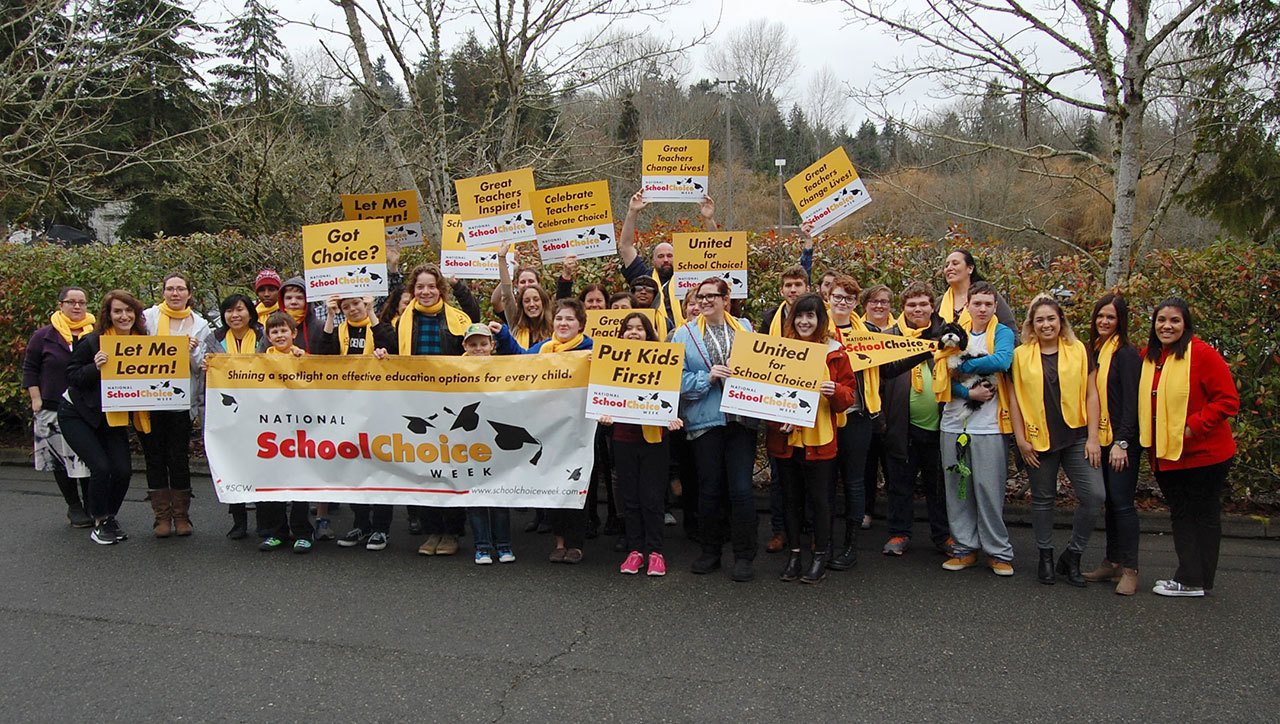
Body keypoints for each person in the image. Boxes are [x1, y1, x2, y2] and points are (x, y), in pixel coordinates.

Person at [1141, 298, 1239, 598]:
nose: (1167, 326)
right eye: (1161, 320)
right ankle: (1192, 577)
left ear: (1185, 325)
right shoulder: (1150, 356)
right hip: (1166, 456)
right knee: (1181, 514)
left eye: (1174, 321)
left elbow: (1227, 401)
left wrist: (1192, 426)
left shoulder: (1203, 354)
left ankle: (1194, 579)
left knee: (1203, 515)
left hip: (1203, 454)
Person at [1008, 295, 1105, 586]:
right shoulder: (1020, 355)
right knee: (1042, 500)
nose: (1046, 324)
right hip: (1038, 440)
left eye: (1051, 318)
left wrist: (1093, 438)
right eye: (1040, 320)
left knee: (1094, 496)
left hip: (1076, 436)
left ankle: (1073, 555)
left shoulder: (1079, 350)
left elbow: (1091, 394)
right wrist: (1021, 440)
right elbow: (1013, 400)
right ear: (1031, 325)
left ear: (1061, 321)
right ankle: (1046, 556)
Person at [671, 277, 760, 582]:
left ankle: (744, 555)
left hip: (741, 420)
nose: (705, 301)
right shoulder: (683, 334)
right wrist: (706, 378)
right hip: (705, 422)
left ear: (726, 298)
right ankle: (710, 551)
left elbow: (764, 369)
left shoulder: (746, 329)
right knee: (709, 489)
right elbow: (675, 379)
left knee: (741, 489)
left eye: (712, 296)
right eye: (701, 296)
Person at [493, 298, 594, 563]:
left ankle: (576, 544)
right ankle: (559, 541)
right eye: (559, 318)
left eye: (570, 319)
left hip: (579, 430)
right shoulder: (544, 348)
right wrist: (504, 335)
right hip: (549, 429)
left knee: (576, 483)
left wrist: (599, 363)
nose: (563, 323)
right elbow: (518, 361)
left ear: (580, 324)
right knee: (555, 483)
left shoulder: (591, 349)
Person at [767, 294, 857, 584]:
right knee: (791, 499)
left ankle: (820, 554)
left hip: (820, 439)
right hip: (786, 439)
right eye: (800, 316)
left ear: (821, 321)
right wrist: (777, 419)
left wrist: (836, 392)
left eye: (811, 316)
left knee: (820, 501)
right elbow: (764, 395)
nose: (805, 322)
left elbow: (849, 396)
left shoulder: (836, 352)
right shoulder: (778, 351)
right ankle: (794, 554)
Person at [399, 263, 481, 556]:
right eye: (420, 287)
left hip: (450, 404)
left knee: (452, 466)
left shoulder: (457, 319)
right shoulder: (402, 321)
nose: (426, 292)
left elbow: (475, 318)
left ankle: (452, 531)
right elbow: (383, 339)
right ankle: (432, 530)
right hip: (417, 404)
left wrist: (460, 286)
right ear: (413, 290)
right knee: (422, 467)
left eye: (431, 286)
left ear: (441, 289)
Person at [935, 281, 1016, 575]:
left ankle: (998, 551)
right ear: (967, 305)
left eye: (988, 304)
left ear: (995, 307)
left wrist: (966, 365)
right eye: (977, 303)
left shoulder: (1002, 333)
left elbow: (1002, 360)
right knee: (958, 488)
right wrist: (968, 392)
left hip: (990, 426)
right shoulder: (955, 333)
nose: (982, 309)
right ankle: (964, 547)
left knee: (988, 489)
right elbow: (942, 372)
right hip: (954, 422)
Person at [59, 290, 148, 545]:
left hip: (113, 414)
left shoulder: (141, 341)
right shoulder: (93, 341)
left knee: (122, 470)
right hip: (77, 413)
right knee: (101, 467)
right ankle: (98, 521)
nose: (124, 316)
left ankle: (109, 516)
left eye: (128, 310)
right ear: (108, 315)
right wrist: (94, 367)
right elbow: (72, 375)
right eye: (117, 311)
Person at [602, 312, 685, 577]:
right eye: (629, 328)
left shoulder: (663, 361)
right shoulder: (610, 363)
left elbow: (672, 398)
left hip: (655, 440)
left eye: (640, 328)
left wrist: (673, 417)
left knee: (652, 498)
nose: (634, 332)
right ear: (622, 334)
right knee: (631, 498)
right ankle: (635, 550)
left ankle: (656, 552)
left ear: (649, 334)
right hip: (623, 439)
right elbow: (602, 396)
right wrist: (603, 414)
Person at [319, 295, 398, 551]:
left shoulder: (378, 325)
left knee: (381, 466)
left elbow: (391, 345)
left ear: (365, 304)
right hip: (348, 409)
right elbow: (324, 356)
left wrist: (372, 312)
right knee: (353, 467)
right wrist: (330, 316)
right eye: (346, 306)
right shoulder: (338, 330)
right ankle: (361, 523)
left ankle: (381, 528)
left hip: (379, 407)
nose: (352, 309)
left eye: (356, 304)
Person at [880, 282, 951, 556]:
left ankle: (943, 536)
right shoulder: (891, 337)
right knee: (900, 483)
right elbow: (882, 379)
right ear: (903, 308)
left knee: (938, 485)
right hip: (901, 424)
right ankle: (899, 533)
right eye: (911, 304)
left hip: (940, 423)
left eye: (923, 304)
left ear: (932, 306)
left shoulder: (948, 334)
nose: (917, 309)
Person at [140, 272, 211, 538]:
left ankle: (182, 516)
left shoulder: (200, 325)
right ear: (163, 292)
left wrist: (192, 350)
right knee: (154, 457)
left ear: (189, 294)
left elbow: (199, 367)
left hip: (181, 402)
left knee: (178, 458)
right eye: (170, 288)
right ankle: (161, 517)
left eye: (180, 289)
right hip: (149, 399)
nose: (175, 293)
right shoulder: (149, 318)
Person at [1082, 293, 1143, 595]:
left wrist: (1122, 441)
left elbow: (1133, 402)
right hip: (1102, 438)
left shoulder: (1126, 355)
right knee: (1109, 502)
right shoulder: (1095, 351)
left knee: (1122, 503)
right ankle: (1112, 560)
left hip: (1122, 441)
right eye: (1100, 316)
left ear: (1121, 321)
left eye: (1111, 317)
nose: (1104, 322)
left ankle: (1131, 569)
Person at [24, 286, 95, 528]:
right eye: (71, 302)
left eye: (82, 302)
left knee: (87, 458)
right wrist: (36, 398)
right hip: (52, 406)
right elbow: (30, 368)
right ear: (60, 305)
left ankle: (91, 504)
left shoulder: (95, 334)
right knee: (59, 460)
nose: (77, 307)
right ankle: (74, 506)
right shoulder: (43, 335)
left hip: (87, 407)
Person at [202, 293, 264, 539]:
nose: (235, 315)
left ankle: (263, 518)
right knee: (231, 465)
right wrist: (205, 368)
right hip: (225, 411)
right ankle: (238, 519)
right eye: (229, 311)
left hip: (258, 410)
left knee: (259, 464)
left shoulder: (264, 336)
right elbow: (204, 373)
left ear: (250, 312)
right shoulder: (213, 339)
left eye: (240, 310)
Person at [760, 265, 812, 553]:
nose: (793, 290)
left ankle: (808, 528)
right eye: (788, 285)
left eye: (798, 284)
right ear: (781, 290)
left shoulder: (815, 316)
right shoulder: (770, 318)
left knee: (810, 471)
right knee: (780, 474)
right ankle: (780, 530)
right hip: (777, 401)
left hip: (808, 401)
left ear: (807, 287)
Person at [254, 311, 314, 552]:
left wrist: (305, 358)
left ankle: (303, 532)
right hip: (269, 431)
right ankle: (276, 532)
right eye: (274, 332)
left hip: (299, 428)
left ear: (294, 333)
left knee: (299, 480)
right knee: (273, 480)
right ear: (268, 337)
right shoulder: (257, 362)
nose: (279, 335)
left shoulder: (304, 358)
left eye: (283, 331)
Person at [618, 190, 718, 329]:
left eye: (670, 256)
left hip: (688, 336)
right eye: (660, 256)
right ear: (653, 260)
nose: (665, 260)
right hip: (653, 337)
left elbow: (716, 251)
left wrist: (708, 219)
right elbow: (625, 246)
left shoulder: (690, 277)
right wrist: (632, 212)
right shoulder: (644, 277)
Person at [459, 323, 516, 565]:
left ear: (492, 345)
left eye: (483, 344)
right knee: (475, 497)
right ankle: (482, 546)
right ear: (465, 346)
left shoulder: (505, 368)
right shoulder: (452, 369)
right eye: (473, 345)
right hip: (468, 442)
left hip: (495, 443)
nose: (479, 349)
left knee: (499, 496)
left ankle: (503, 545)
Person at [825, 274, 872, 569]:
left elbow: (887, 368)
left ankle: (850, 544)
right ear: (828, 297)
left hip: (857, 416)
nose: (842, 302)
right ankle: (824, 541)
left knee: (854, 482)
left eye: (848, 298)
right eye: (837, 297)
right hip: (823, 417)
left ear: (856, 303)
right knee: (824, 481)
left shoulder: (868, 333)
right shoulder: (818, 332)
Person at [859, 284, 896, 530]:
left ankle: (895, 517)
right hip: (867, 406)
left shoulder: (900, 331)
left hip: (894, 405)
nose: (879, 305)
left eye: (884, 301)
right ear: (865, 305)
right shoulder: (857, 331)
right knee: (867, 465)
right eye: (874, 301)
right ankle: (866, 510)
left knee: (893, 464)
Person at [937, 250, 1017, 330]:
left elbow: (1011, 330)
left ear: (970, 268)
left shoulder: (988, 296)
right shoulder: (939, 302)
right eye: (946, 266)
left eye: (955, 263)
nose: (949, 268)